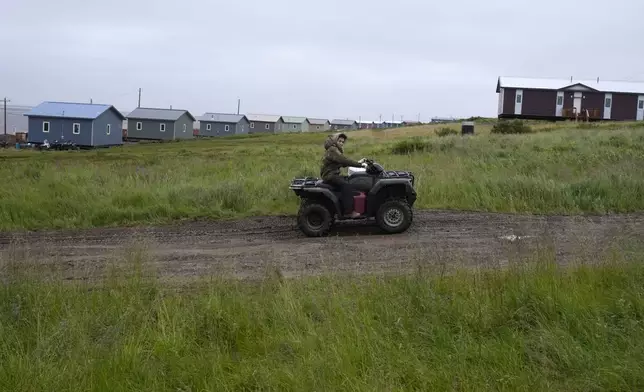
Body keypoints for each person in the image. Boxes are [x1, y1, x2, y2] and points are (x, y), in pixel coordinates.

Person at [320, 132, 368, 218]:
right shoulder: (333, 150)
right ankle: (349, 211)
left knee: (349, 180)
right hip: (330, 175)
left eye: (343, 142)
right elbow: (344, 161)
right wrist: (360, 165)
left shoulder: (334, 150)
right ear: (335, 141)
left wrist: (358, 162)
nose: (341, 143)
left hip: (331, 174)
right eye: (339, 141)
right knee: (347, 186)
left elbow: (341, 163)